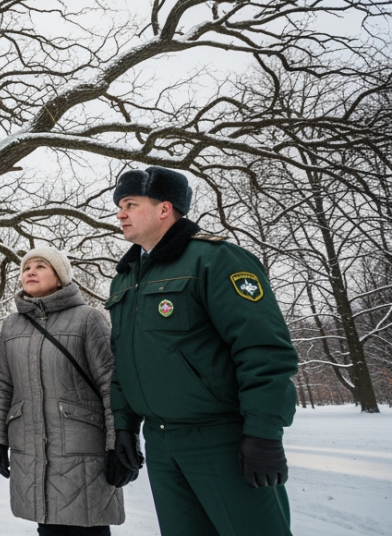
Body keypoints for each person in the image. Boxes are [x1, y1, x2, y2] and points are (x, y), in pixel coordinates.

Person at [106, 166, 298, 536]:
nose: (120, 213)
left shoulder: (215, 260)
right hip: (162, 445)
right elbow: (124, 360)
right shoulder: (125, 277)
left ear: (165, 208)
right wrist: (125, 426)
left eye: (130, 204)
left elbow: (264, 350)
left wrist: (263, 432)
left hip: (221, 439)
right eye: (119, 205)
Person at [0, 246, 127, 536]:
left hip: (83, 450)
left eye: (40, 266)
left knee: (88, 525)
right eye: (26, 268)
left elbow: (112, 384)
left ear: (60, 277)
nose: (30, 272)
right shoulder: (12, 326)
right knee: (48, 526)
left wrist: (117, 443)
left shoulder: (88, 319)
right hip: (32, 450)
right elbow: (2, 385)